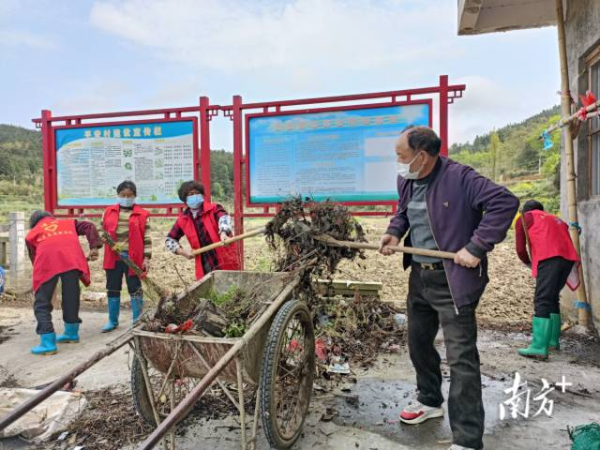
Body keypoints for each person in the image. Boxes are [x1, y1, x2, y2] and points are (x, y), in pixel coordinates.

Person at [379, 126, 519, 450]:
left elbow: (504, 202)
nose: (398, 162)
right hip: (420, 276)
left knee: (461, 359)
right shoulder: (407, 179)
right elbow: (403, 211)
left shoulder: (461, 178)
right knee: (418, 343)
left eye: (401, 156)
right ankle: (429, 401)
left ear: (422, 156)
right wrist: (393, 233)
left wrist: (477, 245)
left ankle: (468, 439)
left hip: (452, 280)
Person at [26, 211, 102, 355]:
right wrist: (93, 247)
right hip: (72, 261)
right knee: (71, 297)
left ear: (34, 223)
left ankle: (48, 342)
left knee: (42, 302)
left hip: (47, 263)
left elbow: (35, 259)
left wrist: (46, 287)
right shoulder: (68, 223)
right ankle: (71, 334)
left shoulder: (32, 233)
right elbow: (89, 226)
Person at [514, 200, 579, 359]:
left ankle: (538, 347)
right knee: (551, 297)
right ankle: (551, 341)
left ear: (525, 211)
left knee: (542, 299)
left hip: (549, 257)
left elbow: (521, 248)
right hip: (568, 259)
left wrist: (528, 262)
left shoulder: (524, 218)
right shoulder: (557, 219)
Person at [101, 180, 152, 332]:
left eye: (129, 195)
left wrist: (146, 258)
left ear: (135, 196)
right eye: (123, 195)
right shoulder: (108, 211)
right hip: (113, 256)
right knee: (113, 288)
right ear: (118, 195)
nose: (126, 197)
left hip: (133, 259)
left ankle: (137, 320)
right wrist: (101, 238)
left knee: (135, 288)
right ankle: (112, 320)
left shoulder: (142, 214)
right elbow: (100, 229)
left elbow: (147, 238)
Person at [165, 181, 240, 279]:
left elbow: (224, 217)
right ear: (185, 199)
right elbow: (170, 240)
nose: (195, 196)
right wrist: (183, 252)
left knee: (229, 287)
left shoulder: (214, 208)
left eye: (197, 193)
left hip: (224, 258)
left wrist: (223, 233)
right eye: (191, 194)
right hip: (204, 262)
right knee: (209, 289)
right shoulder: (183, 219)